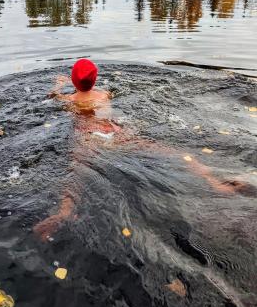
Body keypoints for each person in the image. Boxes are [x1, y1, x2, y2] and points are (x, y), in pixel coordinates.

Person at [34, 60, 247, 241]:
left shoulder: (69, 100)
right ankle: (215, 182)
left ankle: (64, 211)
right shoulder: (105, 95)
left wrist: (58, 86)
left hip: (89, 139)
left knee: (77, 170)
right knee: (171, 152)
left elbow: (52, 97)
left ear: (73, 80)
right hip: (116, 134)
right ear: (95, 79)